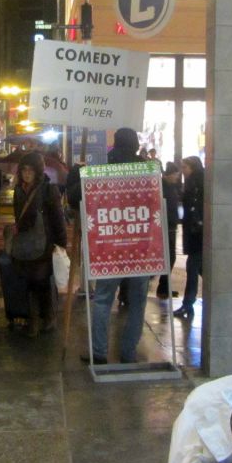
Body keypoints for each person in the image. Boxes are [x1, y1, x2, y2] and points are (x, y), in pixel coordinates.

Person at [80, 127, 150, 364]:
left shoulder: (103, 166)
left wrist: (77, 174)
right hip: (141, 245)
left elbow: (77, 196)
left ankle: (99, 352)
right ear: (136, 144)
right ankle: (128, 351)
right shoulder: (146, 169)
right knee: (138, 301)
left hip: (109, 244)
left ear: (114, 143)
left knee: (102, 299)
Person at [12, 151, 67, 335]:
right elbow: (18, 215)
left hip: (44, 243)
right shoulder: (18, 190)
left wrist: (61, 242)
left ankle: (44, 319)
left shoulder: (48, 190)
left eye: (30, 170)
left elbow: (58, 218)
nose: (26, 174)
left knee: (41, 281)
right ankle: (36, 320)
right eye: (23, 170)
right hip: (25, 243)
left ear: (38, 171)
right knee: (30, 281)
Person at [173, 156, 204, 319]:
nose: (183, 171)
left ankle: (187, 304)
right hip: (195, 234)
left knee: (192, 268)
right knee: (198, 268)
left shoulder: (197, 183)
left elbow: (194, 208)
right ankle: (188, 303)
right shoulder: (195, 181)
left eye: (185, 167)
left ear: (193, 167)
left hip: (197, 235)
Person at [156, 161, 181, 299]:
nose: (177, 178)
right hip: (166, 227)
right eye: (176, 175)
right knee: (169, 257)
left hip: (170, 227)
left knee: (169, 258)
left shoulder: (170, 186)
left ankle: (164, 287)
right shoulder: (163, 187)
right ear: (169, 174)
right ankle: (163, 288)